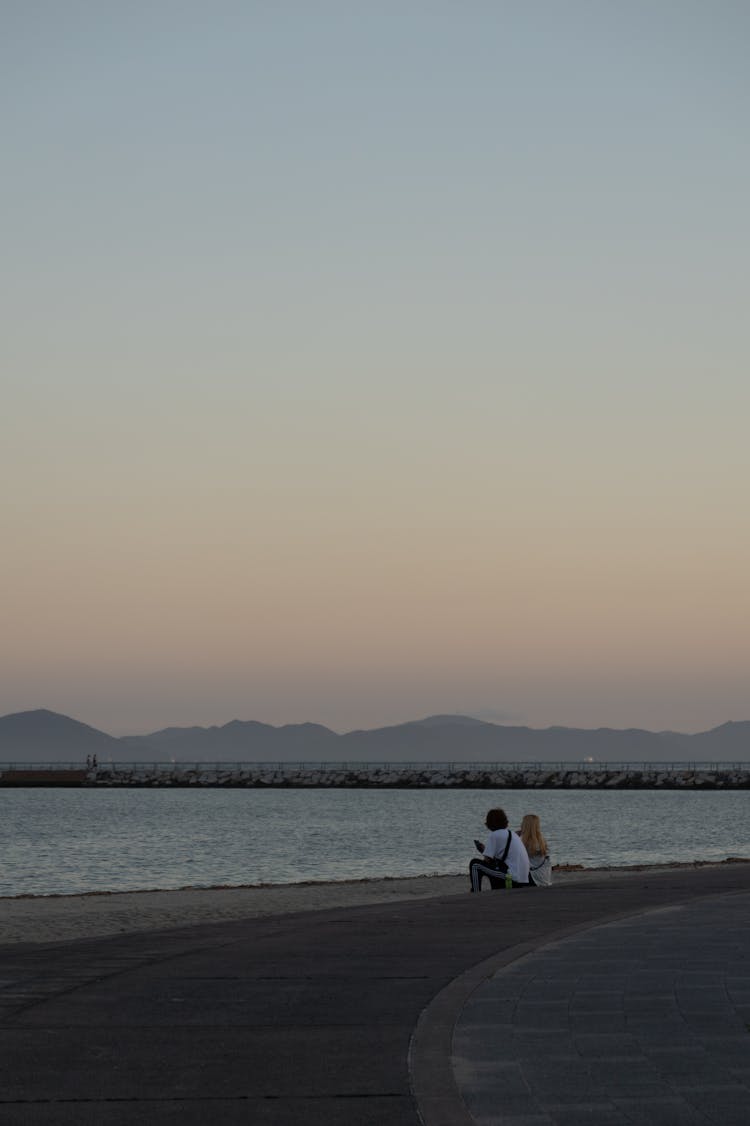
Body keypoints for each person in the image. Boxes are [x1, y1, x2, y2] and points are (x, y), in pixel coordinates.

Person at [469, 808, 530, 892]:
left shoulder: (494, 835)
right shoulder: (511, 833)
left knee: (475, 865)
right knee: (493, 866)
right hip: (523, 879)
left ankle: (475, 893)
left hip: (513, 877)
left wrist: (482, 850)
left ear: (489, 823)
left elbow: (487, 861)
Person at [518, 813, 552, 887]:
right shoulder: (542, 841)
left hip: (532, 878)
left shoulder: (521, 840)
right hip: (544, 878)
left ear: (525, 825)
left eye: (522, 823)